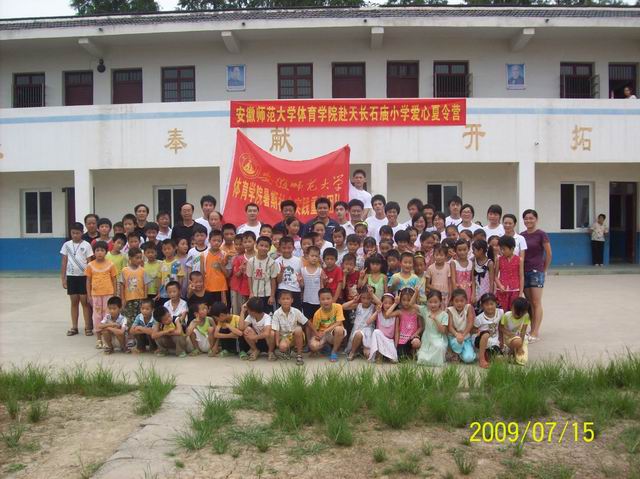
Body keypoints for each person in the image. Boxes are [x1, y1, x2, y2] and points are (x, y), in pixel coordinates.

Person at [520, 209, 551, 342]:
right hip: (524, 271)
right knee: (529, 303)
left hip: (536, 271)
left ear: (536, 219)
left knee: (536, 302)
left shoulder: (541, 234)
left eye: (531, 218)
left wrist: (544, 269)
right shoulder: (522, 235)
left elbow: (549, 254)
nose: (528, 220)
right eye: (526, 218)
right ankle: (532, 329)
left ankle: (535, 331)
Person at [60, 222, 93, 337]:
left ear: (82, 233)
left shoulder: (87, 245)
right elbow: (64, 261)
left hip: (83, 277)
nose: (75, 235)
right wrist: (63, 278)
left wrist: (90, 279)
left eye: (77, 233)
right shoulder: (66, 245)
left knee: (85, 302)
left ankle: (88, 327)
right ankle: (74, 327)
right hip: (71, 277)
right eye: (73, 233)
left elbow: (90, 262)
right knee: (74, 302)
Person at [85, 240, 117, 347]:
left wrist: (115, 294)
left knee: (107, 316)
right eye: (97, 250)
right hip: (96, 295)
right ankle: (99, 339)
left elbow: (114, 279)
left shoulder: (111, 264)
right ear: (94, 252)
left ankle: (107, 339)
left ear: (106, 252)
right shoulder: (90, 265)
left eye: (102, 250)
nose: (99, 253)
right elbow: (88, 281)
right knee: (97, 316)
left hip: (108, 294)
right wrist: (89, 295)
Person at [307, 288, 346, 362]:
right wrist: (317, 337)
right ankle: (325, 346)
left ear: (332, 298)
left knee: (339, 329)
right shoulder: (317, 314)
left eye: (328, 298)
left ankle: (334, 352)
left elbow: (339, 322)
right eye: (323, 299)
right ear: (319, 300)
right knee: (313, 345)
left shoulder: (338, 307)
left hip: (334, 333)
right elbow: (315, 330)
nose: (326, 301)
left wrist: (326, 331)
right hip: (324, 335)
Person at [271, 290, 307, 365]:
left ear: (292, 300)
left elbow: (306, 322)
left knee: (298, 329)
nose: (285, 301)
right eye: (283, 299)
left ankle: (299, 355)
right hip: (284, 337)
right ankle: (288, 350)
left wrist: (316, 333)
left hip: (295, 335)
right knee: (282, 347)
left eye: (288, 299)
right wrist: (277, 344)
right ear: (279, 301)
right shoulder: (276, 313)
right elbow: (276, 329)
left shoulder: (296, 311)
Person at [385, 288, 423, 360]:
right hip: (402, 340)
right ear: (400, 300)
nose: (406, 302)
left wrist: (415, 334)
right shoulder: (400, 312)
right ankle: (409, 354)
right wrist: (395, 303)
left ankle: (414, 352)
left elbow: (421, 327)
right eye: (404, 300)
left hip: (412, 338)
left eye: (409, 300)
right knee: (401, 358)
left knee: (416, 342)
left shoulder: (417, 312)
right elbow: (387, 315)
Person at [342, 287, 377, 361]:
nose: (366, 300)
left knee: (368, 354)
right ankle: (352, 352)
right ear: (360, 298)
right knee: (358, 334)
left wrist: (372, 294)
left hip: (368, 331)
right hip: (357, 329)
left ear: (372, 298)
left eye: (368, 298)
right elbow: (343, 307)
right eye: (363, 298)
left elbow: (380, 304)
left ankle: (361, 349)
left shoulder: (373, 307)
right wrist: (353, 301)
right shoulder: (358, 305)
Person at [246, 236, 279, 312]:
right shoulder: (251, 261)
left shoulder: (272, 262)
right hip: (255, 294)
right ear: (256, 246)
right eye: (261, 245)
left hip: (267, 294)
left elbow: (273, 279)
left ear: (270, 248)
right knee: (255, 314)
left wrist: (272, 296)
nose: (263, 248)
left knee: (267, 315)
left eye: (266, 246)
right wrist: (251, 293)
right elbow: (249, 277)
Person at [416, 290, 449, 366]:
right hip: (427, 338)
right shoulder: (425, 310)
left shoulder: (444, 315)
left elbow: (443, 331)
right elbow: (411, 305)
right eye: (430, 302)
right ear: (427, 302)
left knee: (439, 346)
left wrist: (435, 319)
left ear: (440, 302)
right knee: (422, 359)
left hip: (438, 337)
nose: (433, 304)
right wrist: (416, 293)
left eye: (435, 302)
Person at [120, 247, 150, 329]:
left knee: (140, 318)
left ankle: (139, 335)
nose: (139, 260)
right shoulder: (124, 270)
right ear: (130, 258)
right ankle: (130, 335)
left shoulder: (143, 270)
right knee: (129, 318)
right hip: (129, 299)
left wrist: (145, 297)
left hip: (140, 298)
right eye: (137, 258)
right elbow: (122, 285)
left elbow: (146, 284)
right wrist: (123, 299)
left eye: (140, 258)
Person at [473, 293, 503, 369]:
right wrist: (477, 331)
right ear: (482, 306)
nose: (489, 307)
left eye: (492, 304)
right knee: (486, 334)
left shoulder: (500, 312)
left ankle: (487, 353)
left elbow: (501, 327)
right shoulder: (479, 318)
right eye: (486, 304)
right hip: (481, 340)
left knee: (499, 360)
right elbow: (473, 329)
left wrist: (501, 340)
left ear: (496, 303)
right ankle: (481, 359)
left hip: (493, 340)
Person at [239, 297, 275, 361]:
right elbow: (241, 328)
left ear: (253, 312)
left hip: (267, 342)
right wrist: (242, 312)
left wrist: (254, 337)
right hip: (257, 341)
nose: (247, 311)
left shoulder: (267, 317)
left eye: (248, 310)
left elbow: (266, 333)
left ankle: (270, 352)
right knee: (247, 330)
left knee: (271, 333)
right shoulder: (250, 316)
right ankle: (255, 350)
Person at [494, 235, 523, 312]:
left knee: (514, 312)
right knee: (502, 311)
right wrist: (500, 285)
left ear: (512, 248)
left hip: (515, 291)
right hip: (502, 291)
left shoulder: (519, 260)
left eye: (504, 249)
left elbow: (521, 277)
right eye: (501, 249)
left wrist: (520, 293)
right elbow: (495, 276)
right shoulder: (499, 259)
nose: (502, 251)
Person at [447, 289, 476, 364]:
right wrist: (457, 335)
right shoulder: (450, 310)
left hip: (465, 337)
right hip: (454, 338)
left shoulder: (468, 307)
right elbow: (450, 327)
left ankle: (461, 353)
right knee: (458, 342)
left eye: (462, 301)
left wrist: (463, 335)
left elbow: (470, 323)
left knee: (469, 359)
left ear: (466, 301)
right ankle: (455, 353)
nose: (459, 303)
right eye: (456, 301)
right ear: (452, 302)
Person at [200, 230, 229, 304]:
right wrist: (202, 286)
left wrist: (221, 264)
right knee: (209, 308)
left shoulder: (224, 254)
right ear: (209, 240)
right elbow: (202, 272)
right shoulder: (203, 254)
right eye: (214, 240)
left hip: (221, 287)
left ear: (222, 242)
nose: (216, 242)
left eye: (219, 241)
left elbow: (227, 274)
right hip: (208, 286)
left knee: (221, 308)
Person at [500, 297, 531, 366]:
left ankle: (514, 351)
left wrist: (520, 346)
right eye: (514, 311)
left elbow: (523, 331)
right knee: (517, 341)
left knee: (522, 361)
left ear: (524, 312)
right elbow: (501, 327)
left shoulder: (526, 316)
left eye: (519, 313)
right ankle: (511, 351)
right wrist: (508, 334)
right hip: (508, 338)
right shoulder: (506, 315)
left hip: (519, 338)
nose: (516, 315)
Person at [368, 293, 398, 363]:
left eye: (390, 303)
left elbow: (397, 332)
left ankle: (388, 355)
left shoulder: (395, 316)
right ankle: (379, 355)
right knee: (376, 332)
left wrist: (395, 346)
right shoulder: (379, 313)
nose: (388, 305)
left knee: (394, 360)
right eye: (385, 303)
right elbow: (368, 322)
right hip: (379, 342)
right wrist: (377, 312)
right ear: (382, 304)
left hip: (389, 342)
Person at [230, 231, 254, 314]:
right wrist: (241, 269)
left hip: (252, 288)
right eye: (245, 242)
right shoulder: (237, 258)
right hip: (238, 288)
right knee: (239, 310)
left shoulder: (257, 256)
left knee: (250, 310)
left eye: (240, 244)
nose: (238, 246)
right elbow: (236, 274)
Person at [275, 236, 303, 310]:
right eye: (284, 248)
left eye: (289, 248)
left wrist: (300, 282)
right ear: (280, 248)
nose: (286, 250)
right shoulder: (277, 261)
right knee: (282, 312)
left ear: (293, 248)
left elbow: (301, 278)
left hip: (296, 290)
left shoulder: (299, 261)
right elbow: (278, 281)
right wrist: (281, 271)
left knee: (296, 312)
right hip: (282, 290)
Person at [157, 239, 185, 306]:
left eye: (169, 248)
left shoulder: (177, 263)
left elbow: (180, 278)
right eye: (164, 249)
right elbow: (159, 278)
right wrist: (158, 292)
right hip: (163, 293)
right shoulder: (161, 264)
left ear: (174, 248)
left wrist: (179, 290)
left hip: (174, 293)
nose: (167, 251)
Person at [300, 245, 324, 320]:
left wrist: (322, 299)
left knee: (318, 320)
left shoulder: (320, 270)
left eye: (316, 256)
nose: (314, 258)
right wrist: (300, 282)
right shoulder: (302, 270)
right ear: (307, 256)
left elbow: (322, 286)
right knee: (307, 321)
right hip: (306, 300)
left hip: (317, 301)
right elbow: (302, 286)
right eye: (312, 256)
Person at [472, 239, 494, 309]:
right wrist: (473, 294)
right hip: (477, 291)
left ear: (481, 250)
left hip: (486, 292)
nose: (472, 252)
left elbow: (491, 281)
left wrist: (490, 295)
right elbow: (473, 279)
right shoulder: (474, 261)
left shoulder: (489, 263)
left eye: (474, 250)